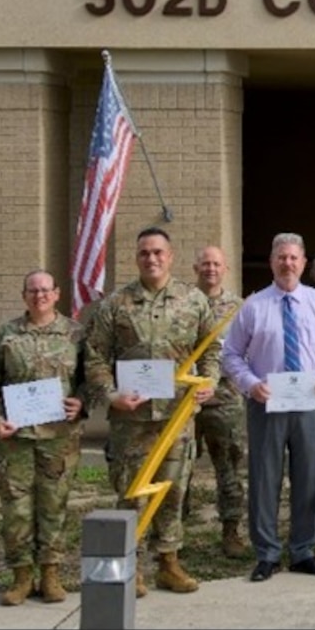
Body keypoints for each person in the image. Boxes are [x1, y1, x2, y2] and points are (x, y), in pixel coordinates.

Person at [83, 226, 220, 596]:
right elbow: (95, 355)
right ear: (136, 257)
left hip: (178, 416)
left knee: (173, 489)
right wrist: (111, 395)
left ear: (171, 256)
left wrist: (209, 382)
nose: (152, 258)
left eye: (158, 252)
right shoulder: (116, 303)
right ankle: (131, 564)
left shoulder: (193, 300)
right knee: (132, 491)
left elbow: (211, 350)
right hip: (132, 418)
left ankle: (168, 563)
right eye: (145, 252)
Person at [220, 233, 315, 581]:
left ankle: (304, 550)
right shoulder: (254, 306)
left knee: (309, 477)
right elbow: (230, 354)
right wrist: (249, 384)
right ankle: (266, 553)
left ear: (303, 262)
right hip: (267, 403)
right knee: (264, 478)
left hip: (309, 402)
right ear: (272, 262)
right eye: (281, 257)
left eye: (293, 257)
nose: (287, 263)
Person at [0, 269, 85, 605]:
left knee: (54, 507)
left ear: (56, 294)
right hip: (16, 440)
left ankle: (51, 574)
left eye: (45, 290)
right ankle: (22, 576)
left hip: (59, 439)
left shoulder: (75, 334)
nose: (39, 296)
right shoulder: (7, 335)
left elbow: (90, 378)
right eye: (32, 290)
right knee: (17, 510)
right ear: (24, 296)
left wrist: (81, 402)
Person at [190, 245, 250, 557]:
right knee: (179, 470)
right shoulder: (183, 303)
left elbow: (251, 351)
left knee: (229, 468)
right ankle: (174, 535)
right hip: (185, 400)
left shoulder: (239, 308)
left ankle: (231, 531)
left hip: (225, 399)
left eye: (216, 264)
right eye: (204, 263)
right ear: (194, 268)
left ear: (225, 269)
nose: (210, 269)